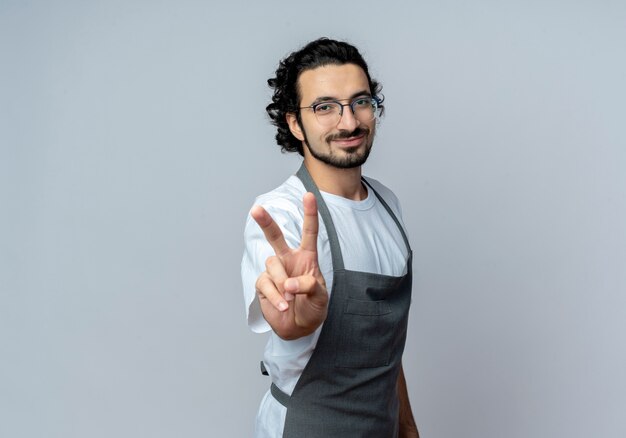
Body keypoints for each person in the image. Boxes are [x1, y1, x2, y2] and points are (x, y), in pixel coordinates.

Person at [241, 37, 419, 438]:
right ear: (293, 123)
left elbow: (386, 346)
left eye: (360, 102)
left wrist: (406, 425)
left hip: (383, 426)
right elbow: (287, 322)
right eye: (324, 108)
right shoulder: (281, 215)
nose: (349, 122)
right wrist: (296, 321)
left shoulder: (387, 203)